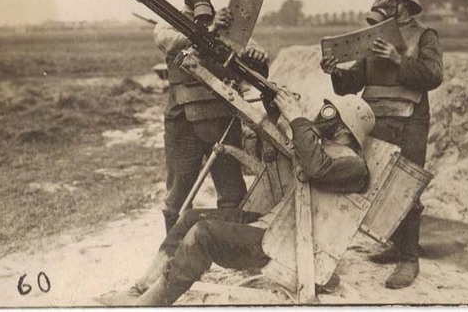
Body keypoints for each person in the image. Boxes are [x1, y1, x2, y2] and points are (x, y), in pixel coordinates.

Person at [125, 88, 376, 305]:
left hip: (286, 245)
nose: (322, 116)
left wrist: (298, 119)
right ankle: (146, 284)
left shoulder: (355, 167)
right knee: (192, 217)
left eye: (329, 113)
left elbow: (315, 167)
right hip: (277, 228)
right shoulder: (326, 152)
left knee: (203, 234)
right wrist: (274, 115)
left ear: (345, 125)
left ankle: (151, 304)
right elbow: (271, 159)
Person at [320, 0, 443, 289]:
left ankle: (408, 259)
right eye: (379, 0)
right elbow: (354, 83)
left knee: (406, 189)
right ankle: (395, 246)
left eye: (388, 0)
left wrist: (398, 59)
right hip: (375, 119)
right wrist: (336, 71)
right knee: (374, 186)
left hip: (409, 120)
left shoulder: (424, 35)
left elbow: (433, 75)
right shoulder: (372, 38)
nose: (380, 5)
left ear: (403, 4)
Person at [154, 0, 269, 234]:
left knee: (232, 191)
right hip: (183, 121)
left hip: (222, 119)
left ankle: (230, 248)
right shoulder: (169, 22)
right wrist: (205, 29)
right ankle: (172, 254)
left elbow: (259, 64)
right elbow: (166, 41)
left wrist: (256, 56)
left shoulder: (228, 23)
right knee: (179, 191)